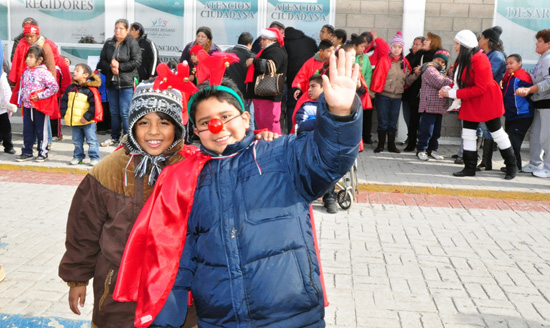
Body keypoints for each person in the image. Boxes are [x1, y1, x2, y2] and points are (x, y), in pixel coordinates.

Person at [113, 48, 361, 328]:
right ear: (196, 131)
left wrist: (340, 114)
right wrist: (165, 320)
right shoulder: (189, 178)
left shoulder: (282, 156)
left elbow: (330, 159)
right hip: (221, 317)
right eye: (205, 123)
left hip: (291, 314)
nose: (217, 127)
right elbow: (175, 256)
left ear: (245, 118)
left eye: (225, 116)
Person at [58, 68, 280, 327]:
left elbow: (235, 164)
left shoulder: (196, 165)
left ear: (177, 126)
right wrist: (77, 279)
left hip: (179, 292)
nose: (154, 132)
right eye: (143, 123)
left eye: (164, 122)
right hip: (118, 291)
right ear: (132, 125)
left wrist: (263, 142)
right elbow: (83, 230)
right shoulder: (109, 170)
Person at [439, 30, 517, 180]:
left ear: (465, 46)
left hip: (487, 102)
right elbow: (460, 81)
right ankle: (469, 167)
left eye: (457, 44)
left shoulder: (480, 59)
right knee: (468, 134)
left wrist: (453, 94)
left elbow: (481, 88)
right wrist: (449, 88)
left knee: (498, 134)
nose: (454, 47)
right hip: (472, 101)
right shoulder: (463, 59)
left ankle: (512, 166)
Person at [294, 74, 339, 214]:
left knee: (331, 163)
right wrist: (320, 121)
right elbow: (301, 125)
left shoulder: (332, 107)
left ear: (323, 88)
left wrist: (316, 122)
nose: (309, 89)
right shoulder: (305, 106)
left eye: (313, 86)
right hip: (308, 145)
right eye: (309, 86)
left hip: (327, 146)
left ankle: (329, 197)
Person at [98, 18, 142, 147]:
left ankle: (128, 139)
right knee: (114, 112)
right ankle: (114, 137)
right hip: (112, 82)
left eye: (121, 28)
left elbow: (137, 61)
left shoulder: (132, 43)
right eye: (116, 28)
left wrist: (120, 67)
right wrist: (111, 67)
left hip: (126, 82)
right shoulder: (109, 43)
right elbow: (102, 61)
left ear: (127, 30)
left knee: (125, 112)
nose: (118, 31)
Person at [372, 31, 418, 153]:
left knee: (392, 122)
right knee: (382, 121)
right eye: (394, 47)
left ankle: (391, 145)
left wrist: (415, 75)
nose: (397, 49)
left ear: (402, 48)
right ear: (391, 47)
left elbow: (407, 81)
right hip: (384, 96)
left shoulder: (405, 63)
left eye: (399, 47)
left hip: (397, 97)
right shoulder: (384, 60)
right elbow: (377, 77)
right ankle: (381, 145)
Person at [515, 29, 550, 178]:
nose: (536, 43)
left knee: (546, 136)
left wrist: (529, 89)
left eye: (540, 41)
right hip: (539, 103)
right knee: (536, 135)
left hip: (547, 104)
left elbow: (549, 81)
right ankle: (535, 163)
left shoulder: (549, 58)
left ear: (548, 44)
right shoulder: (543, 58)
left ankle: (548, 167)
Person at [14, 46, 59, 162]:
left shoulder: (44, 73)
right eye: (27, 57)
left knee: (41, 130)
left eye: (31, 57)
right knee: (28, 129)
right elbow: (22, 87)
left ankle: (43, 152)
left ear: (39, 60)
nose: (28, 59)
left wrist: (40, 96)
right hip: (28, 107)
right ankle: (27, 151)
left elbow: (54, 87)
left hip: (40, 107)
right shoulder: (26, 72)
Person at [403, 32, 442, 152]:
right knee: (413, 120)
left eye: (427, 40)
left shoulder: (437, 57)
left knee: (428, 123)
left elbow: (438, 70)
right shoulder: (418, 55)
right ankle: (411, 143)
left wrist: (423, 68)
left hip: (430, 95)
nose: (424, 41)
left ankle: (428, 146)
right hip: (416, 92)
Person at [245, 27, 288, 134]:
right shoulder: (271, 50)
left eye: (263, 39)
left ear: (271, 40)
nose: (261, 42)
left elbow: (270, 67)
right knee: (263, 123)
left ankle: (274, 145)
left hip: (268, 94)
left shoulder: (275, 51)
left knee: (269, 124)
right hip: (264, 94)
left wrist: (254, 61)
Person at [476, 26, 506, 171]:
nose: (479, 40)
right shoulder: (487, 54)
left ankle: (489, 161)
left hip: (490, 97)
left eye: (481, 37)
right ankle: (485, 162)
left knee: (491, 129)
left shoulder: (497, 56)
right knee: (485, 128)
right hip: (482, 96)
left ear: (487, 39)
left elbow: (487, 76)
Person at [60, 64, 102, 166]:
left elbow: (94, 106)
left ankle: (94, 157)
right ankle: (78, 157)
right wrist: (64, 113)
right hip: (75, 121)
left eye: (77, 70)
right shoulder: (70, 88)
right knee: (76, 141)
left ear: (85, 75)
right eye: (74, 70)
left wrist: (86, 117)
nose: (74, 72)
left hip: (87, 121)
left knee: (91, 140)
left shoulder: (90, 90)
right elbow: (64, 101)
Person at [416, 50, 452, 161]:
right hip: (429, 105)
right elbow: (439, 82)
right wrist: (454, 81)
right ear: (433, 59)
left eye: (443, 62)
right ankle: (421, 150)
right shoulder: (429, 69)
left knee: (436, 132)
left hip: (439, 106)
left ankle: (432, 150)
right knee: (426, 130)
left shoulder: (443, 72)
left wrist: (451, 73)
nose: (440, 63)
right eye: (438, 60)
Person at [501, 54, 534, 171]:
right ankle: (512, 165)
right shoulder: (510, 77)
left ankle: (515, 166)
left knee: (512, 141)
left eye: (511, 63)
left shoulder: (523, 76)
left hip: (522, 115)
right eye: (507, 63)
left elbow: (530, 92)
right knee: (509, 141)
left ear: (519, 63)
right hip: (511, 115)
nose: (508, 66)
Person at [284, 25, 318, 133]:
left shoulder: (286, 43)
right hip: (310, 80)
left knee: (292, 107)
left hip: (293, 80)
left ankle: (292, 131)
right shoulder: (310, 41)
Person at [349, 34, 374, 144]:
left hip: (360, 91)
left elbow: (368, 74)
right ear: (355, 46)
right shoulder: (349, 56)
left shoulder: (365, 58)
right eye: (362, 47)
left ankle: (360, 139)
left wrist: (365, 88)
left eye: (365, 47)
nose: (364, 49)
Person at [401, 36, 425, 144]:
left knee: (416, 119)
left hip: (417, 93)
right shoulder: (408, 57)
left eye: (417, 44)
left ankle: (416, 138)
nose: (414, 46)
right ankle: (410, 136)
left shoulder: (423, 58)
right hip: (406, 92)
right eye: (413, 44)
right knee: (407, 116)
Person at [225, 32, 255, 111]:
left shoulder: (227, 53)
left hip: (228, 89)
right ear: (249, 44)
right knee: (246, 115)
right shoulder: (251, 56)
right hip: (244, 92)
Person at [0, 59, 18, 154]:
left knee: (6, 129)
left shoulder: (3, 78)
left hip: (2, 109)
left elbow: (7, 93)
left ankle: (8, 146)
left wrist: (8, 104)